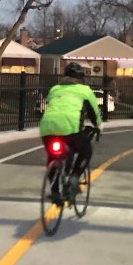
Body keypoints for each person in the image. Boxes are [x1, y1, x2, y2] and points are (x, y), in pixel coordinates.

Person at [39, 62, 102, 204]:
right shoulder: (85, 90)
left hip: (47, 127)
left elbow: (54, 106)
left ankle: (55, 192)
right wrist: (98, 125)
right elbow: (94, 113)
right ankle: (74, 179)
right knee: (86, 150)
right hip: (70, 127)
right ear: (81, 78)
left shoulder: (54, 89)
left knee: (52, 157)